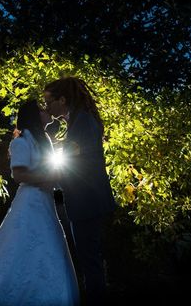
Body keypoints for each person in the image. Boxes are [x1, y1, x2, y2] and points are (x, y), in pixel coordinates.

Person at [0, 100, 80, 306]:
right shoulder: (21, 142)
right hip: (30, 202)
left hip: (45, 202)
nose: (46, 111)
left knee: (47, 248)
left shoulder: (44, 140)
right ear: (33, 115)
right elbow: (18, 174)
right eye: (41, 108)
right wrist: (49, 175)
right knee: (25, 245)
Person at [42, 77, 117, 306]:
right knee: (89, 259)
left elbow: (72, 161)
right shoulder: (78, 120)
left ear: (62, 100)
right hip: (87, 199)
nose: (47, 107)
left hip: (87, 201)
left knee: (89, 262)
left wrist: (42, 176)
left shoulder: (82, 121)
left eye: (49, 101)